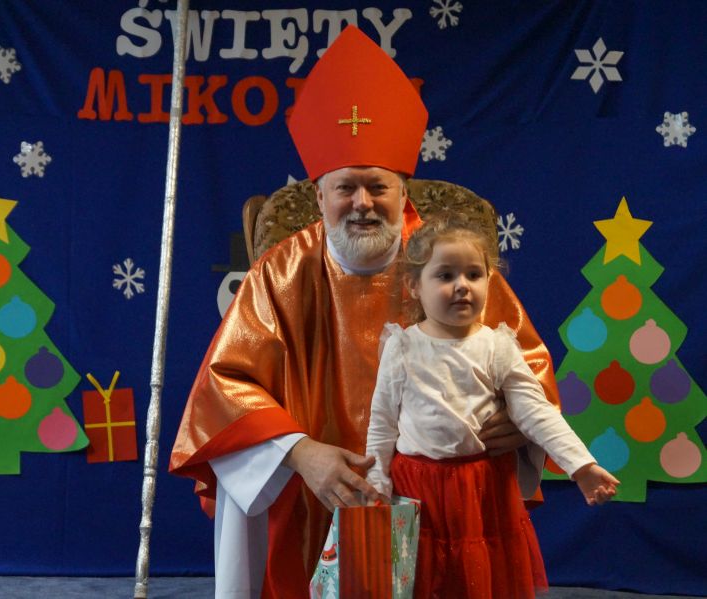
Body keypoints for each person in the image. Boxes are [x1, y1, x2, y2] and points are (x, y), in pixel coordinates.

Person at [170, 26, 560, 598]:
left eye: (377, 186)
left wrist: (513, 419)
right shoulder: (281, 272)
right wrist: (300, 454)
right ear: (319, 195)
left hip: (445, 497)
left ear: (403, 190)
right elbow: (224, 387)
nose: (362, 204)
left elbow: (525, 361)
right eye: (345, 188)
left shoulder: (449, 263)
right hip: (315, 493)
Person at [365, 215, 620, 598]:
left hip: (482, 489)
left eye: (474, 274)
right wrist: (376, 480)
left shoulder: (497, 346)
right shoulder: (402, 347)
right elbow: (383, 422)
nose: (462, 285)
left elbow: (537, 412)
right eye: (445, 275)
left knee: (481, 576)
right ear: (414, 286)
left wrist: (581, 466)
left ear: (488, 279)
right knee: (423, 578)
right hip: (418, 488)